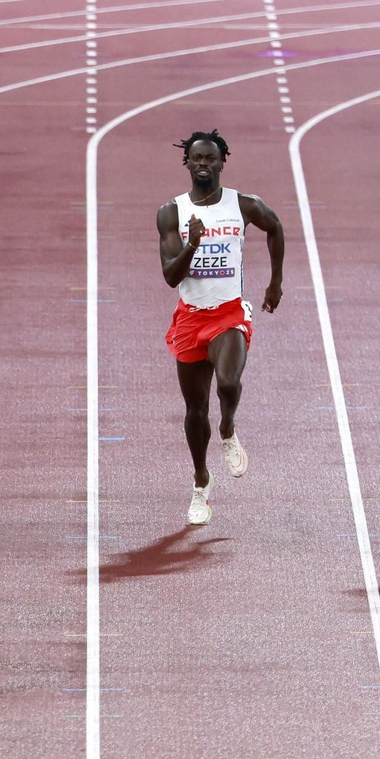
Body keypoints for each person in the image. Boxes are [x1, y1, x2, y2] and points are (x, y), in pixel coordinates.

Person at [156, 130, 284, 525]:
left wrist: (275, 282)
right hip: (191, 317)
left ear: (222, 162)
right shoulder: (171, 212)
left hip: (229, 312)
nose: (204, 164)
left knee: (228, 384)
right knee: (195, 410)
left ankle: (228, 429)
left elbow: (276, 228)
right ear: (187, 163)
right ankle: (200, 483)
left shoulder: (243, 205)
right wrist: (192, 244)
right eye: (197, 158)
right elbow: (170, 277)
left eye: (211, 158)